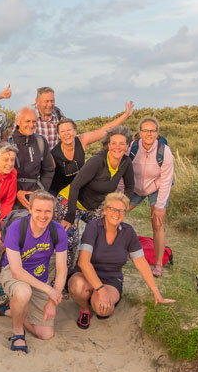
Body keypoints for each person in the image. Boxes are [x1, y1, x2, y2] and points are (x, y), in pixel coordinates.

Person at [67, 192, 174, 329]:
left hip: (111, 278)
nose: (117, 214)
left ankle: (96, 297)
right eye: (113, 209)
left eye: (121, 211)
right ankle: (85, 309)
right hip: (86, 275)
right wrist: (101, 290)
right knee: (78, 286)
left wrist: (156, 293)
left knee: (102, 309)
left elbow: (141, 263)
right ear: (105, 210)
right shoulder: (93, 227)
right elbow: (83, 262)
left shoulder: (128, 232)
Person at [0, 190, 68, 353]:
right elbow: (16, 272)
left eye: (48, 211)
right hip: (12, 272)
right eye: (38, 211)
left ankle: (12, 309)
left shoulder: (57, 231)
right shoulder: (17, 228)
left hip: (40, 277)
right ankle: (18, 332)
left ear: (53, 212)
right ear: (30, 210)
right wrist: (50, 290)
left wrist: (52, 302)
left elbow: (62, 269)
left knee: (45, 334)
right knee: (23, 291)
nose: (43, 216)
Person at [49, 101, 135, 194]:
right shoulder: (54, 154)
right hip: (58, 192)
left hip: (78, 188)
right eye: (63, 131)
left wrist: (126, 114)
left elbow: (104, 131)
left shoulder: (82, 141)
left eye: (69, 130)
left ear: (75, 131)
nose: (66, 134)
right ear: (58, 135)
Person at [60, 126, 135, 227]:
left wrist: (122, 206)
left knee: (108, 228)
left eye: (121, 144)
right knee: (69, 238)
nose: (117, 147)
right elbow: (75, 186)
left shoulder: (126, 162)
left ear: (127, 146)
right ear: (108, 145)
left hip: (93, 206)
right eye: (114, 143)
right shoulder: (97, 161)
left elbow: (130, 187)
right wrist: (70, 215)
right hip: (70, 201)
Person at [128, 117, 174, 278]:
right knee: (116, 214)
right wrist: (121, 195)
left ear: (157, 133)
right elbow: (123, 172)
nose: (149, 134)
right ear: (139, 133)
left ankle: (159, 264)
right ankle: (113, 253)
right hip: (135, 187)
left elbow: (167, 180)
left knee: (157, 223)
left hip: (157, 187)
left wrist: (160, 206)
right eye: (145, 130)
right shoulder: (132, 148)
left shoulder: (164, 151)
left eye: (152, 130)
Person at [10, 107, 54, 210]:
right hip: (12, 201)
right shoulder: (6, 143)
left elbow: (48, 170)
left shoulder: (41, 142)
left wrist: (40, 191)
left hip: (36, 197)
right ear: (18, 121)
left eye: (34, 121)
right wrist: (16, 192)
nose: (31, 125)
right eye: (27, 121)